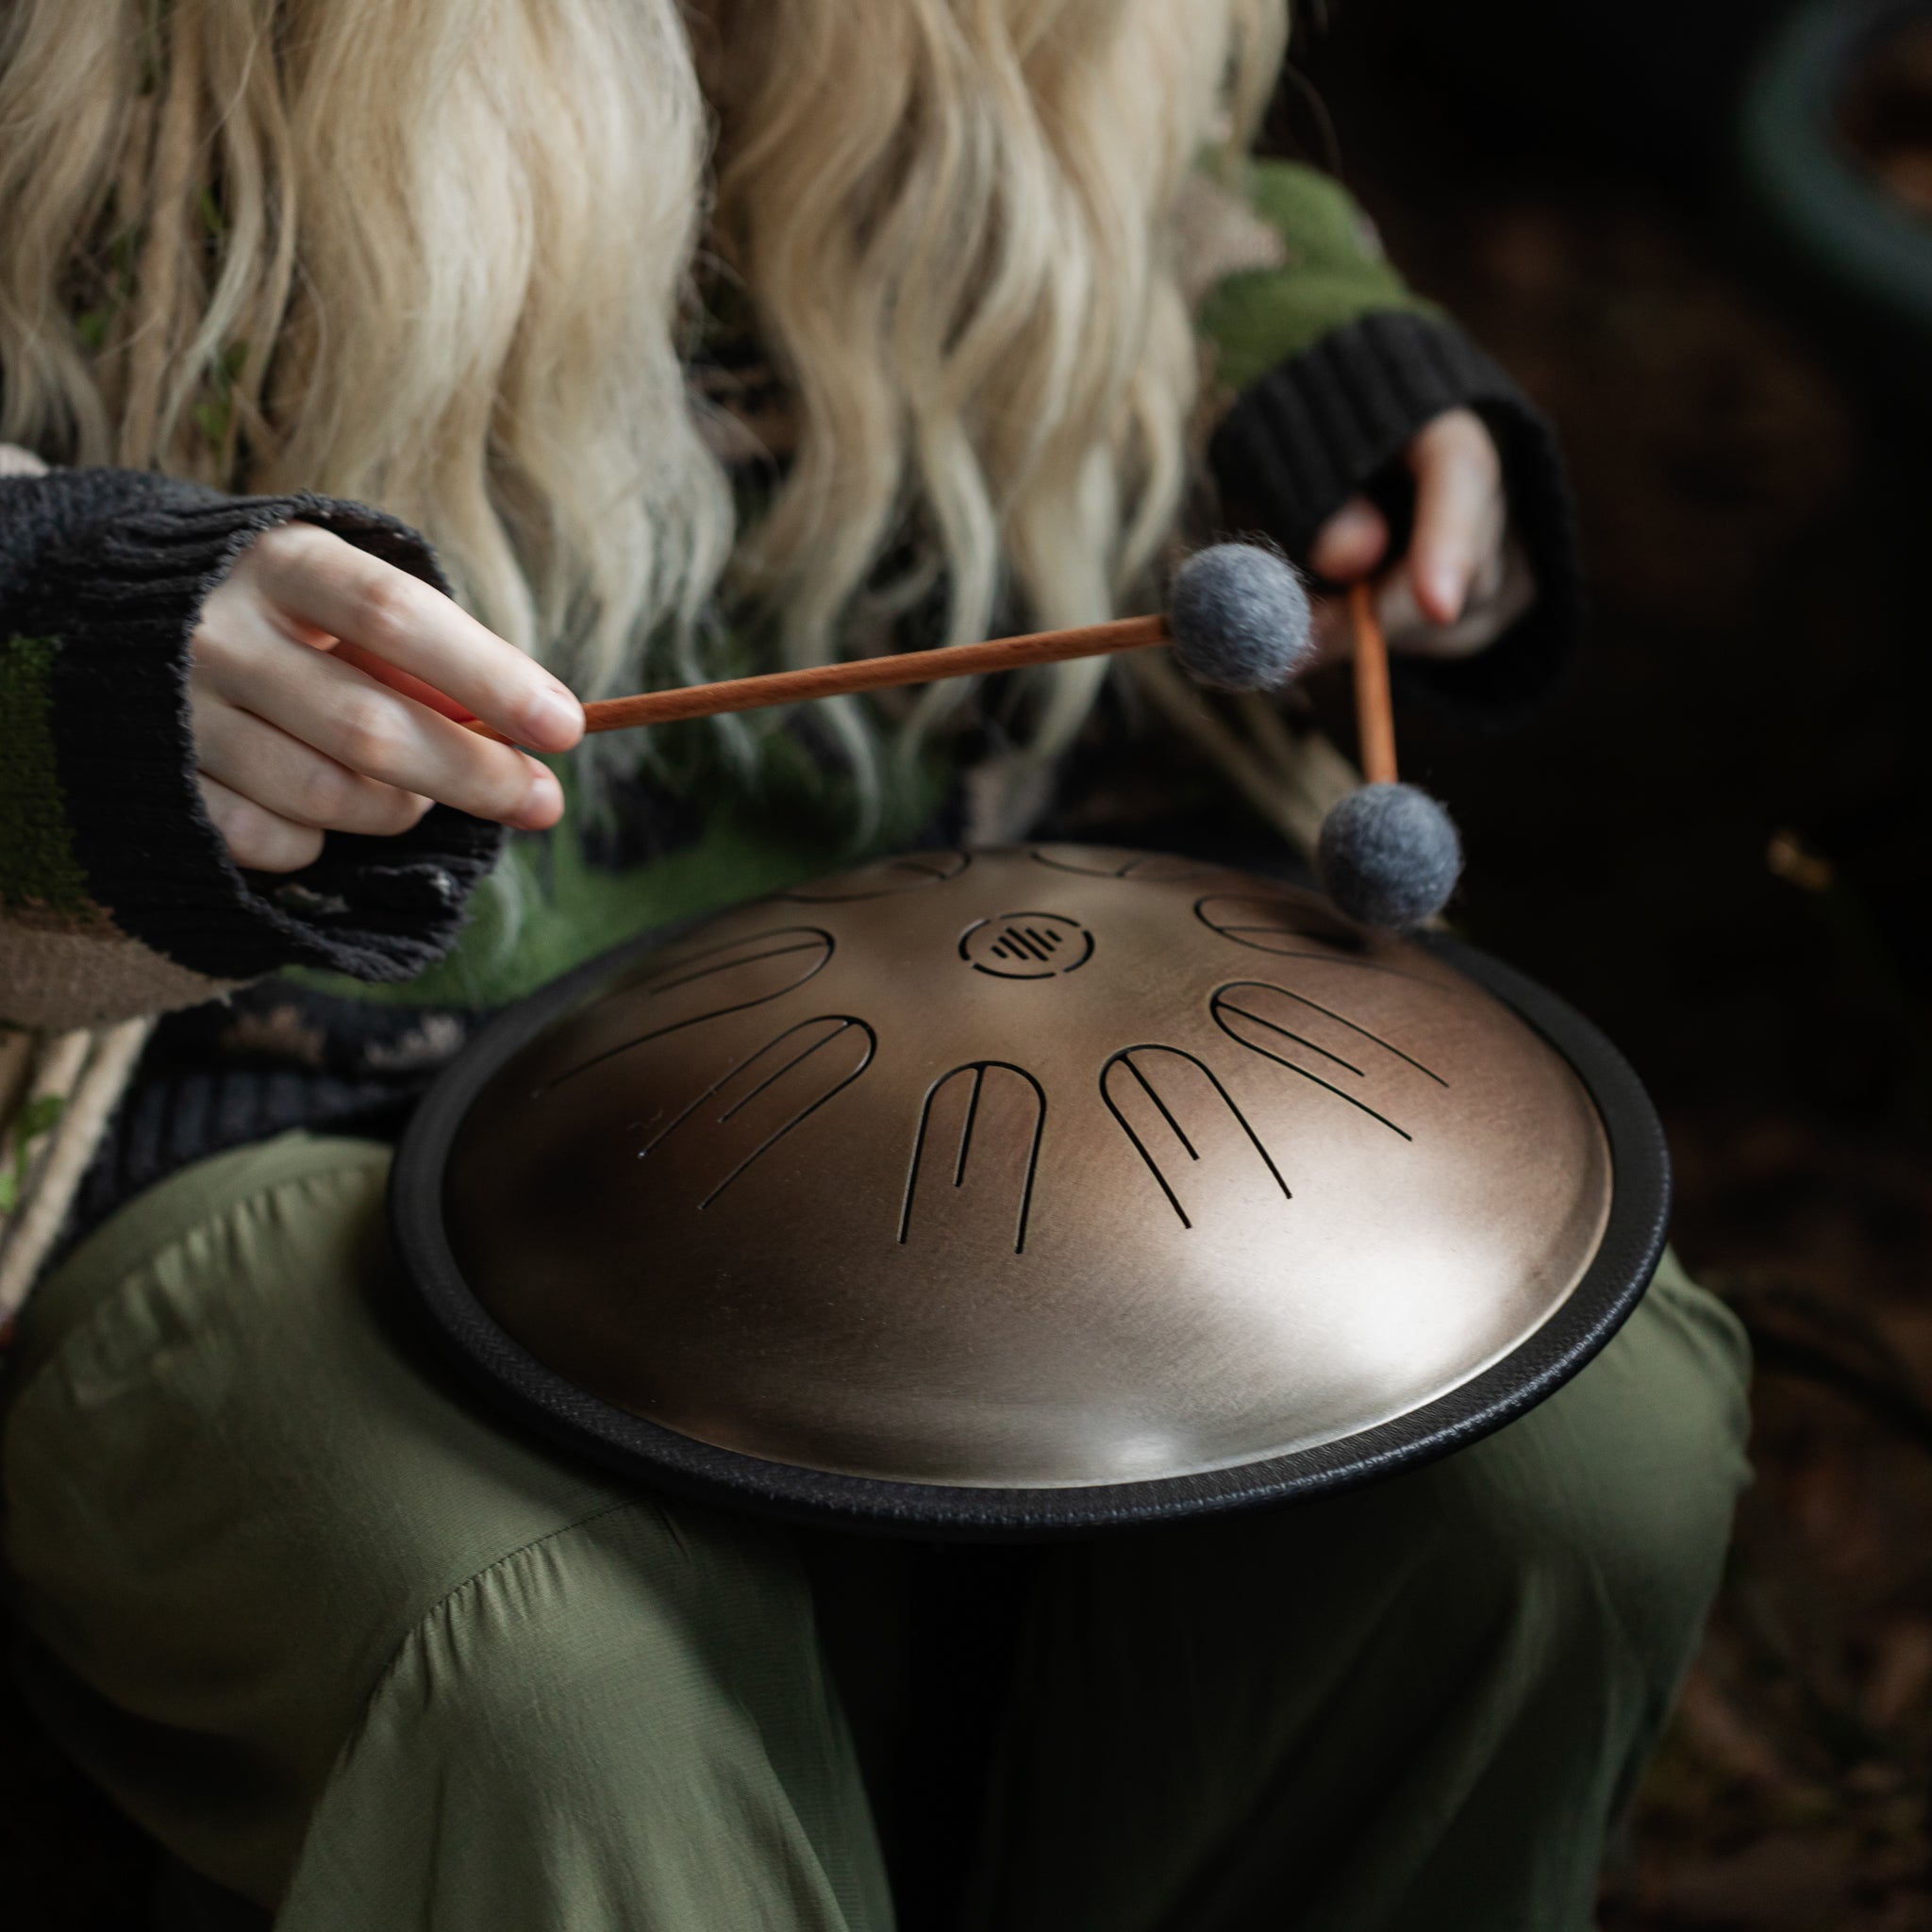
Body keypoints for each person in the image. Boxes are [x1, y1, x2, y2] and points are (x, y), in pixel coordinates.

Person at [0, 5, 1750, 1927]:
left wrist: (1285, 359)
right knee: (544, 1677)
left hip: (1041, 949)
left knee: (1576, 1451)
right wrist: (67, 628)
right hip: (267, 1069)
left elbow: (1136, 166)